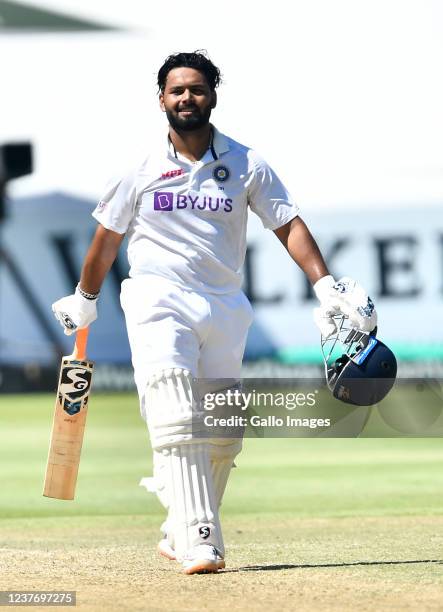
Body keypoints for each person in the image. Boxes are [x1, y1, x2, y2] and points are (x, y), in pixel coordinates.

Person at [51, 50, 377, 574]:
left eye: (196, 89)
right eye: (177, 90)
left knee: (223, 432)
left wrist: (324, 286)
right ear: (161, 99)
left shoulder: (247, 164)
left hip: (224, 303)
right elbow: (106, 239)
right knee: (179, 411)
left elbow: (287, 225)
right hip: (158, 297)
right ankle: (201, 540)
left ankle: (175, 526)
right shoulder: (138, 166)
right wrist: (85, 298)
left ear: (213, 96)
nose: (187, 98)